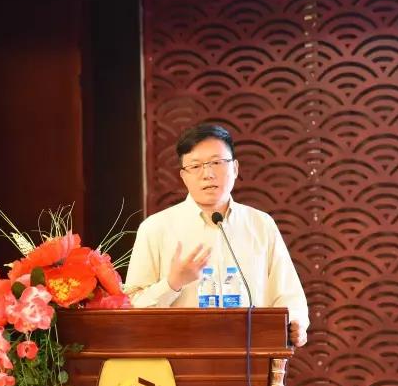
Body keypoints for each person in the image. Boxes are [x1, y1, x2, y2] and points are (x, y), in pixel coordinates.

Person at [125, 124, 309, 347]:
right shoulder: (155, 228)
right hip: (179, 357)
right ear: (183, 176)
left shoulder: (261, 224)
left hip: (252, 356)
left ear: (235, 168)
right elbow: (131, 308)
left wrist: (297, 324)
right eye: (195, 166)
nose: (208, 174)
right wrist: (173, 283)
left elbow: (289, 295)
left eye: (217, 162)